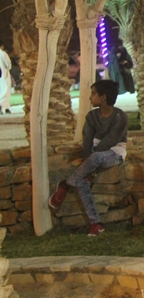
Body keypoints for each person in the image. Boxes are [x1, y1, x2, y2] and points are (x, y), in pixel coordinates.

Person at [48, 80, 127, 236]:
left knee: (96, 157)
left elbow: (111, 140)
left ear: (103, 97)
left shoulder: (120, 116)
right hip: (93, 153)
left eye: (93, 94)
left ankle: (66, 184)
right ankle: (95, 224)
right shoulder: (91, 116)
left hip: (114, 152)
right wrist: (87, 161)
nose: (90, 97)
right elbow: (87, 140)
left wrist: (91, 160)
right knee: (82, 181)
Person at [0, 41, 11, 114]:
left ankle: (6, 107)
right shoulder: (3, 54)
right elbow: (8, 65)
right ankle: (2, 106)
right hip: (4, 75)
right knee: (5, 91)